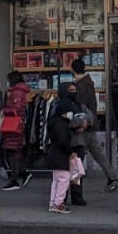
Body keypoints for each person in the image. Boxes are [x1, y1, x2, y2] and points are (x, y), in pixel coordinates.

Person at [70, 58, 116, 191]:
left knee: (78, 156)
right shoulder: (89, 83)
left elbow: (81, 107)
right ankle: (112, 176)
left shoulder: (80, 86)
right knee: (98, 153)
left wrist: (81, 123)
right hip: (90, 124)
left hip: (83, 126)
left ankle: (76, 186)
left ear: (73, 69)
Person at [44, 83, 77, 214]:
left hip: (54, 155)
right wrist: (70, 152)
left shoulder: (54, 122)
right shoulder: (62, 125)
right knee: (63, 179)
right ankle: (58, 203)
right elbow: (63, 141)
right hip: (61, 156)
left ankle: (53, 202)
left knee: (56, 180)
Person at [0, 71, 31, 191]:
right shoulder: (21, 91)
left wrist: (4, 110)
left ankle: (15, 178)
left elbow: (15, 108)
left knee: (12, 151)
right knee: (14, 151)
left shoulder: (17, 92)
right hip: (17, 125)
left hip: (13, 124)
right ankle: (21, 174)